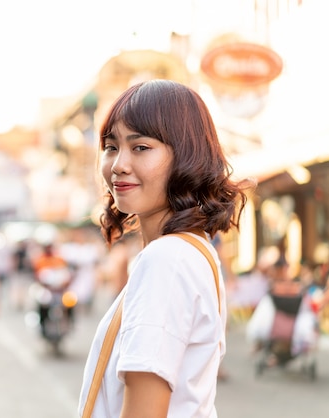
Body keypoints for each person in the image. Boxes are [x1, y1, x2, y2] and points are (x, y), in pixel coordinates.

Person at [78, 80, 250, 418]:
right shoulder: (192, 251)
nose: (118, 165)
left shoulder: (166, 260)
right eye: (111, 146)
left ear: (185, 157)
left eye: (140, 147)